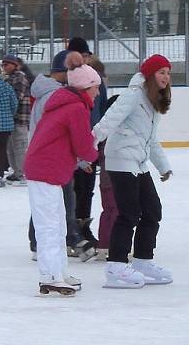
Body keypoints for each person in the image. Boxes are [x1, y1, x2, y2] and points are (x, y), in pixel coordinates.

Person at [93, 54, 173, 289]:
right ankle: (116, 266)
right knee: (128, 213)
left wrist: (163, 165)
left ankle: (143, 260)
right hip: (120, 160)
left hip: (138, 161)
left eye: (168, 73)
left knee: (152, 210)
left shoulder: (153, 101)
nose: (166, 77)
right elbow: (109, 121)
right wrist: (88, 147)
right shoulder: (133, 95)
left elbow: (151, 139)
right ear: (149, 75)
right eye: (161, 72)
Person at [24, 65, 101, 296]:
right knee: (49, 225)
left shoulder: (67, 104)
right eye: (96, 88)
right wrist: (93, 153)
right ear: (87, 87)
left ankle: (59, 272)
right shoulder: (75, 108)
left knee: (57, 224)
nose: (98, 93)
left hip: (51, 170)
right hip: (44, 170)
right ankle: (49, 276)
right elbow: (82, 145)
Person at [73, 55, 108, 244]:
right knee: (78, 190)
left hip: (90, 145)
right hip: (79, 148)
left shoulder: (98, 86)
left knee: (84, 190)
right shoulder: (74, 93)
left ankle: (81, 230)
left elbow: (101, 116)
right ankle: (75, 232)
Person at [95, 95, 120, 260]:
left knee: (108, 211)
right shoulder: (115, 131)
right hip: (114, 179)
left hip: (105, 179)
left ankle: (104, 245)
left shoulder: (105, 130)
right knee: (116, 212)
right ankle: (112, 245)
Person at [1, 54, 31, 185]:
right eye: (3, 65)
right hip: (9, 119)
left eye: (6, 65)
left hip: (19, 117)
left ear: (14, 65)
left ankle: (22, 173)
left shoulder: (20, 77)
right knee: (11, 147)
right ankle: (16, 171)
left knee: (20, 146)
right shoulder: (7, 79)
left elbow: (16, 97)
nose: (4, 67)